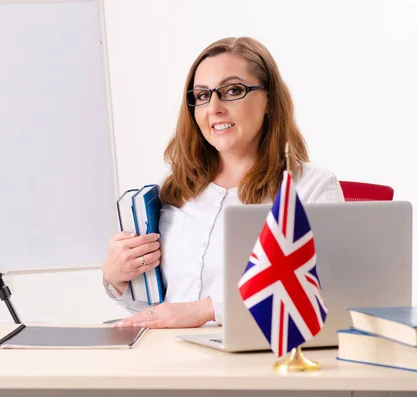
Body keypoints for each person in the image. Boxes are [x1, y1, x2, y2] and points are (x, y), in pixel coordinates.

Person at [101, 37, 344, 329]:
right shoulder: (173, 189)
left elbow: (324, 295)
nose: (213, 108)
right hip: (168, 356)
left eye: (232, 90)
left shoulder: (310, 188)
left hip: (259, 361)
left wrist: (208, 310)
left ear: (268, 100)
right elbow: (157, 308)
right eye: (202, 95)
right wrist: (117, 277)